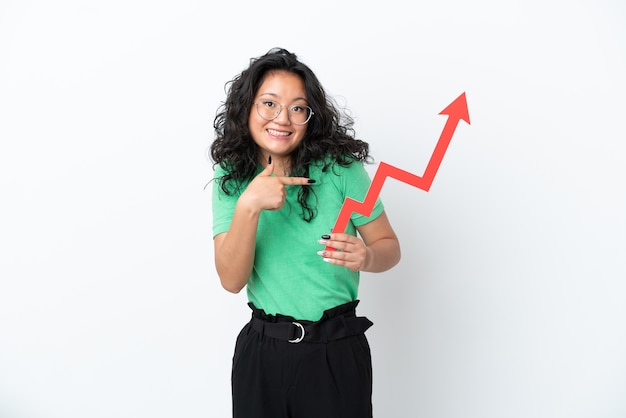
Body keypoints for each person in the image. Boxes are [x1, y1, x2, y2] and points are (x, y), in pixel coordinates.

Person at [210, 47, 401, 418]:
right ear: (247, 107)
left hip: (336, 349)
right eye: (269, 103)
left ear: (309, 117)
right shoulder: (230, 177)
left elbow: (389, 246)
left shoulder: (342, 170)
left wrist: (368, 256)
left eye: (298, 107)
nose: (283, 117)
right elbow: (231, 281)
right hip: (263, 351)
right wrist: (249, 206)